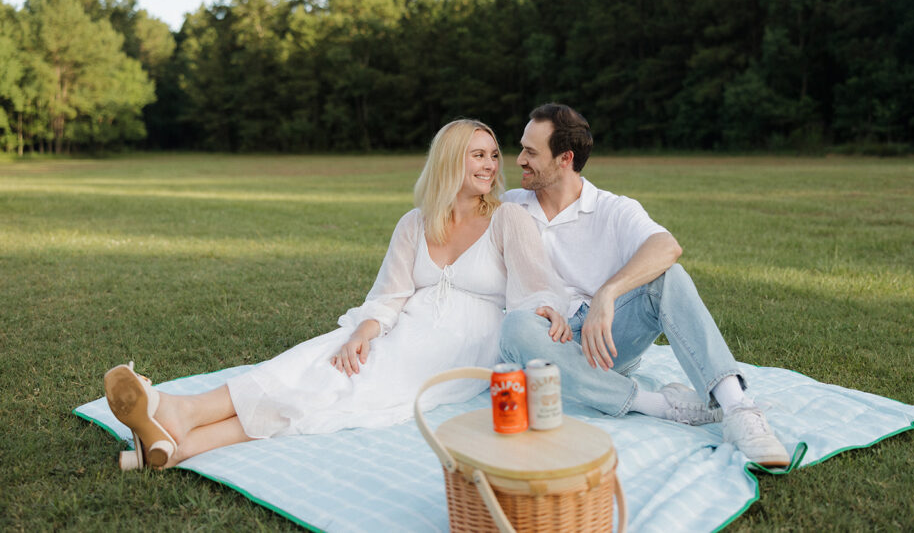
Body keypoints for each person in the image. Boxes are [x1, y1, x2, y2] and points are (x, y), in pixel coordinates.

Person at [104, 119, 571, 469]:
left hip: (461, 347)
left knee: (342, 385)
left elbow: (536, 289)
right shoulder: (415, 223)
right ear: (451, 159)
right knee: (324, 357)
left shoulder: (508, 218)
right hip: (406, 327)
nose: (490, 165)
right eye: (478, 155)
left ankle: (181, 413)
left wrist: (549, 313)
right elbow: (389, 296)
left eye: (493, 155)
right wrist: (363, 332)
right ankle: (180, 444)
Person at [498, 104, 790, 467]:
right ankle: (661, 405)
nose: (519, 159)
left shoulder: (611, 208)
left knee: (668, 276)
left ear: (564, 158)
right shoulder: (509, 206)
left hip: (605, 341)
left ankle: (737, 408)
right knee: (514, 327)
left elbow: (667, 247)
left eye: (530, 151)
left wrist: (607, 293)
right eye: (521, 148)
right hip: (547, 343)